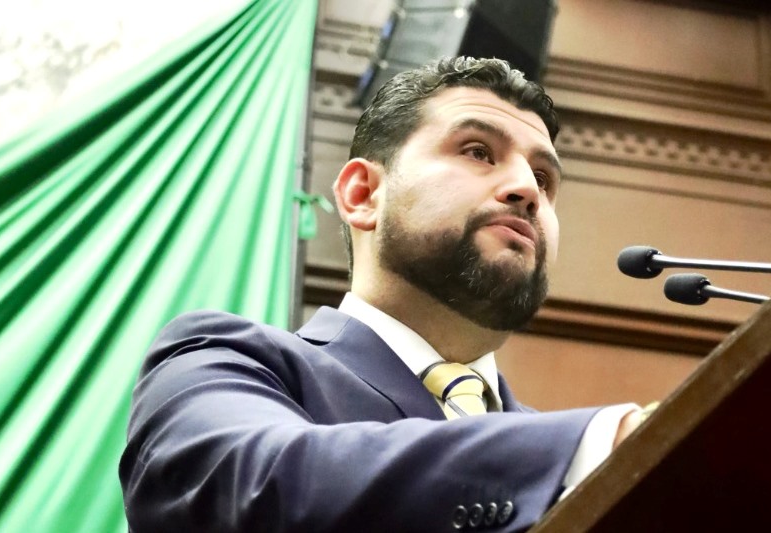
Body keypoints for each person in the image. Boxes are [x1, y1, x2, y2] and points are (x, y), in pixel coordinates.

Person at [119, 56, 645, 532]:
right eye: (479, 152)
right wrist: (599, 446)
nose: (528, 190)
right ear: (363, 194)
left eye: (544, 179)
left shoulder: (568, 451)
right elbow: (256, 486)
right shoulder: (224, 360)